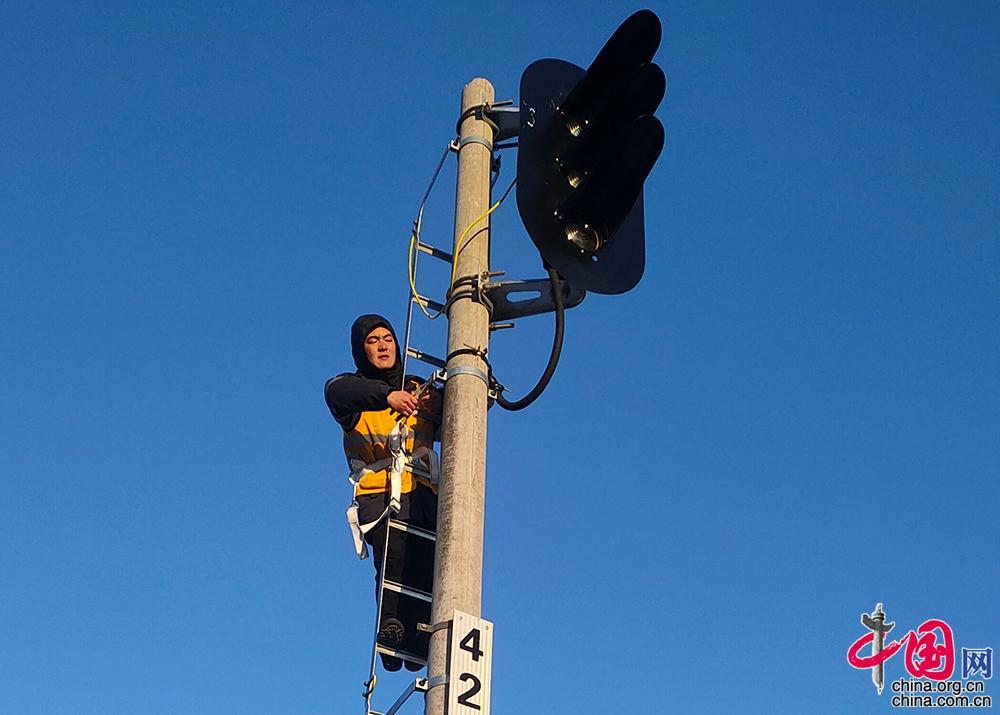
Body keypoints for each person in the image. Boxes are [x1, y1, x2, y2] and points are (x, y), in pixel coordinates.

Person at [325, 314, 441, 672]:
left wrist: (442, 403)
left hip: (424, 491)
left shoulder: (420, 387)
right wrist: (387, 396)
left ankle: (420, 634)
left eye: (387, 338)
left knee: (427, 563)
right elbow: (336, 393)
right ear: (362, 350)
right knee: (395, 554)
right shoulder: (352, 389)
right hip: (382, 493)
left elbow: (468, 407)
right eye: (372, 340)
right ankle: (391, 627)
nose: (382, 345)